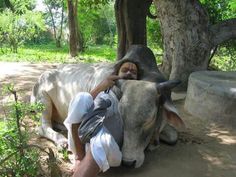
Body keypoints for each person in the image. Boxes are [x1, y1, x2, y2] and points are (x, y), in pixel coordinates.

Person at [64, 61, 139, 177]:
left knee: (103, 141)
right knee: (81, 98)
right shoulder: (106, 94)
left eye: (133, 72)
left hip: (109, 149)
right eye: (125, 70)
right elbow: (87, 105)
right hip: (84, 142)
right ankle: (79, 158)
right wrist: (101, 86)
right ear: (115, 75)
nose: (129, 73)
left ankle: (84, 164)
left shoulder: (138, 97)